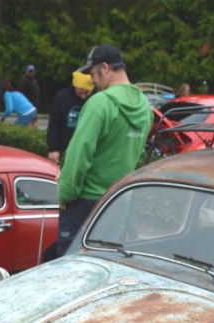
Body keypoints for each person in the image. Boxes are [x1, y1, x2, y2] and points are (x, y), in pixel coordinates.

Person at [55, 44, 153, 257]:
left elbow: (79, 155)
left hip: (85, 204)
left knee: (70, 267)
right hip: (119, 202)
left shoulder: (101, 103)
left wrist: (65, 193)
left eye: (93, 74)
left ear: (105, 68)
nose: (93, 82)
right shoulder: (145, 108)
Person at [46, 70, 93, 164]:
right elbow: (53, 125)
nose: (83, 96)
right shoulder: (62, 98)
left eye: (87, 93)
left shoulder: (96, 98)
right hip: (64, 149)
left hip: (88, 151)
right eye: (80, 92)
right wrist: (53, 149)